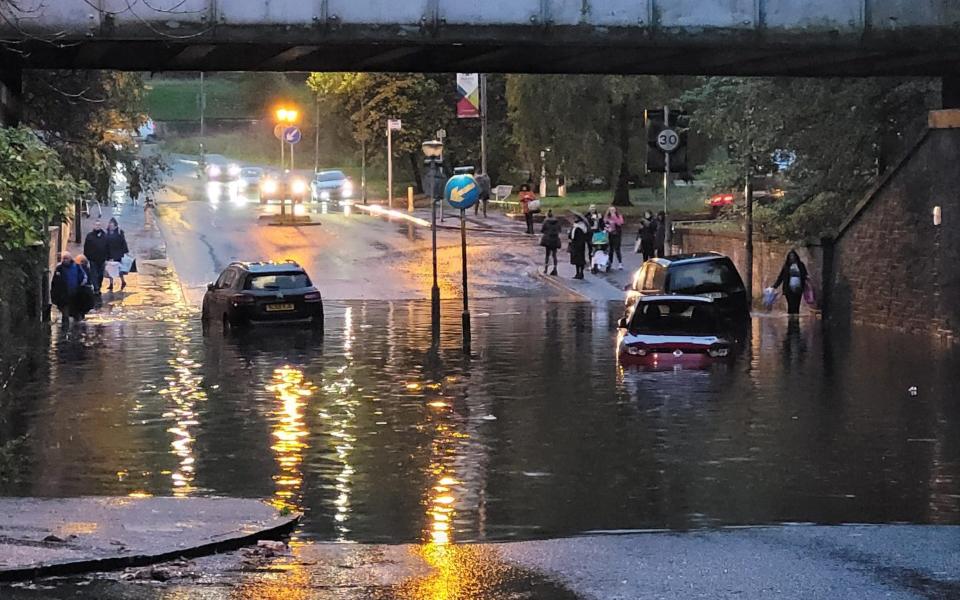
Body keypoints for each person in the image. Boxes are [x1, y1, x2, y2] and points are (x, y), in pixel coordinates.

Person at [50, 252, 87, 328]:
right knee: (65, 313)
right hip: (64, 295)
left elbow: (83, 278)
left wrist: (80, 287)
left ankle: (76, 329)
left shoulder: (76, 267)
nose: (65, 260)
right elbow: (55, 282)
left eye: (66, 258)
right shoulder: (59, 268)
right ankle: (65, 328)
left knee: (76, 313)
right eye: (64, 258)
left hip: (75, 295)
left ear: (70, 259)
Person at [772, 249, 808, 315]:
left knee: (796, 305)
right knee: (790, 305)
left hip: (798, 288)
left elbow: (805, 275)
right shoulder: (786, 266)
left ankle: (795, 320)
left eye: (793, 256)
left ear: (796, 257)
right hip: (788, 289)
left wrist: (807, 283)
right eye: (790, 256)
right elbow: (781, 277)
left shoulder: (800, 265)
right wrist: (775, 286)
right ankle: (791, 320)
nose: (792, 258)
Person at [83, 220, 109, 294]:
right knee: (94, 273)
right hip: (93, 259)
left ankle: (99, 286)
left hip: (102, 258)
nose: (97, 226)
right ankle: (96, 288)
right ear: (93, 226)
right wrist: (86, 256)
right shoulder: (89, 236)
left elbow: (108, 247)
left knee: (100, 274)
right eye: (96, 225)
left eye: (99, 225)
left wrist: (108, 257)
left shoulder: (104, 236)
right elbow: (86, 247)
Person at [104, 217, 129, 292]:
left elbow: (123, 242)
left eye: (112, 225)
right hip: (109, 254)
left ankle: (123, 281)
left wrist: (125, 252)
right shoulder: (107, 232)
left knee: (117, 268)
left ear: (115, 225)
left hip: (117, 254)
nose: (110, 226)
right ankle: (111, 284)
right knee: (110, 269)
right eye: (109, 225)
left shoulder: (119, 232)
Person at [539, 209, 562, 275]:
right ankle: (555, 269)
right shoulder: (557, 222)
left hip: (548, 240)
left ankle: (546, 269)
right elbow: (560, 230)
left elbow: (542, 230)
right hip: (555, 239)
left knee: (547, 255)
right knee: (554, 255)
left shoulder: (545, 222)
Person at [604, 206, 625, 271]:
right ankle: (610, 263)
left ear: (615, 210)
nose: (612, 211)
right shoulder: (607, 217)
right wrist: (607, 228)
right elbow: (604, 223)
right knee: (610, 250)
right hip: (610, 235)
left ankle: (620, 263)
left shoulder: (618, 216)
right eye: (611, 210)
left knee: (617, 249)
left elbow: (620, 223)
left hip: (617, 235)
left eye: (613, 210)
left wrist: (614, 217)